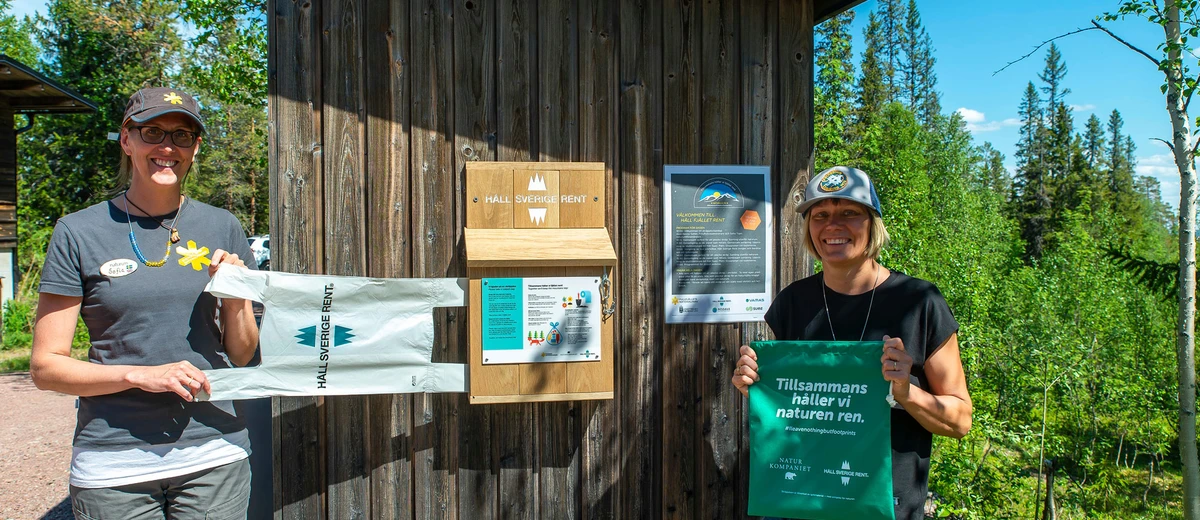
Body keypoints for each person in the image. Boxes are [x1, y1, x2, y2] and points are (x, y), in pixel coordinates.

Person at [30, 87, 259, 519]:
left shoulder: (223, 226)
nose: (168, 146)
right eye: (152, 132)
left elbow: (242, 353)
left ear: (195, 147)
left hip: (215, 453)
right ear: (126, 140)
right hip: (114, 465)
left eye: (182, 135)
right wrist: (138, 375)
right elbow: (46, 368)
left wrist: (235, 299)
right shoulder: (79, 232)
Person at [731, 166, 972, 520]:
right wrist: (756, 387)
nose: (833, 225)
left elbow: (960, 420)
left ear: (872, 223)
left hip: (883, 507)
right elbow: (794, 405)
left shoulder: (919, 303)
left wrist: (907, 393)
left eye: (849, 213)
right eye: (820, 215)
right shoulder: (793, 302)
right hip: (801, 501)